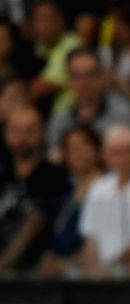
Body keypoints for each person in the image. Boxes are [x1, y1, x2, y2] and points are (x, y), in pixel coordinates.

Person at [79, 124, 130, 278]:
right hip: (102, 274)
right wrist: (92, 276)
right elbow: (90, 238)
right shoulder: (98, 188)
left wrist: (114, 270)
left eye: (129, 151)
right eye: (116, 153)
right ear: (104, 156)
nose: (123, 158)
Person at [0, 105, 71, 274]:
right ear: (6, 135)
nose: (22, 137)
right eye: (16, 130)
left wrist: (3, 264)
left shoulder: (55, 175)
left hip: (36, 272)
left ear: (42, 132)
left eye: (30, 130)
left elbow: (37, 220)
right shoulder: (3, 174)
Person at [46, 46, 130, 160]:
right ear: (69, 81)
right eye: (77, 76)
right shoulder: (60, 121)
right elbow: (54, 158)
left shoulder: (124, 113)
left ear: (102, 77)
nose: (84, 82)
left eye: (90, 74)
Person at [37, 124, 103, 277]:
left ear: (98, 150)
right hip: (59, 271)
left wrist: (70, 263)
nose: (77, 153)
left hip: (89, 271)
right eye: (71, 148)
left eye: (83, 146)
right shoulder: (65, 187)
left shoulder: (106, 188)